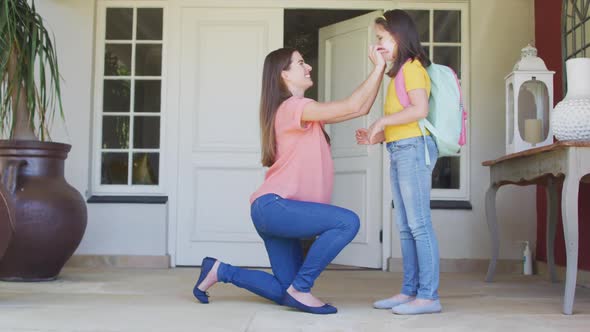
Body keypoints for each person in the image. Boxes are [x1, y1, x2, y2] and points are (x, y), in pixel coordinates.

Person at [192, 46, 386, 315]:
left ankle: (219, 270)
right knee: (347, 222)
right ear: (283, 74)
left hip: (272, 211)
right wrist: (378, 67)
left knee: (284, 292)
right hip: (275, 207)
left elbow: (360, 107)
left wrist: (381, 70)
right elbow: (354, 105)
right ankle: (303, 288)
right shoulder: (293, 107)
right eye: (301, 63)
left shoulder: (299, 112)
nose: (308, 68)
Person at [356, 9, 442, 315]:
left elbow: (418, 111)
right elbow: (402, 122)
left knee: (418, 225)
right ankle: (410, 291)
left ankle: (429, 296)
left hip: (413, 150)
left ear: (399, 35)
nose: (378, 44)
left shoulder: (413, 67)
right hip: (400, 149)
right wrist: (377, 135)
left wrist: (381, 120)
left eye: (381, 37)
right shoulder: (399, 72)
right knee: (406, 227)